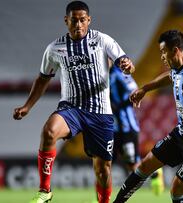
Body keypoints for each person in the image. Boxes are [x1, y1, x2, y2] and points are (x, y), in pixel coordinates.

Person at [12, 1, 135, 203]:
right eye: (74, 20)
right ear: (66, 21)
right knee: (49, 131)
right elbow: (43, 79)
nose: (78, 24)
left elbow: (124, 61)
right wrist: (27, 107)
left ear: (89, 20)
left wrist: (128, 66)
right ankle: (45, 191)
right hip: (72, 109)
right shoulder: (54, 49)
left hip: (100, 113)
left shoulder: (103, 40)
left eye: (82, 20)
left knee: (103, 169)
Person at [112, 30, 183, 203]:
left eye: (163, 51)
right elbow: (169, 77)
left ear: (175, 50)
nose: (162, 57)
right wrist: (145, 89)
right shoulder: (177, 70)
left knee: (177, 188)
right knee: (144, 166)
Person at [109, 64, 164, 194]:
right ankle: (100, 199)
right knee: (101, 163)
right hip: (109, 128)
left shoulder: (119, 74)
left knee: (132, 165)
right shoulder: (99, 74)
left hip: (126, 127)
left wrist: (117, 104)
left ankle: (154, 174)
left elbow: (134, 91)